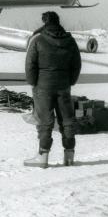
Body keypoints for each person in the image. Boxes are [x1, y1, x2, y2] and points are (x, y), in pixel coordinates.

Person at [24, 11, 82, 168]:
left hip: (43, 86)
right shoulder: (70, 41)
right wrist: (70, 81)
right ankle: (69, 156)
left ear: (45, 22)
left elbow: (30, 64)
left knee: (45, 121)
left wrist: (33, 82)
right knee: (67, 120)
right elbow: (76, 64)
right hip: (63, 86)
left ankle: (43, 157)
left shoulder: (38, 39)